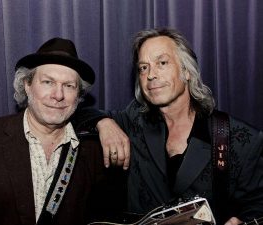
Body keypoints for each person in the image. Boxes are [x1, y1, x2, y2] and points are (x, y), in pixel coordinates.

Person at [93, 28, 263, 225]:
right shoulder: (134, 120)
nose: (151, 75)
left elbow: (257, 205)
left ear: (187, 71)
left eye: (162, 63)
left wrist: (240, 219)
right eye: (143, 68)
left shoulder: (238, 138)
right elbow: (76, 111)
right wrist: (103, 123)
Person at [0, 38, 125, 225]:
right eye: (48, 82)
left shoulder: (95, 152)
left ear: (79, 96)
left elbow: (104, 219)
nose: (58, 95)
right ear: (27, 85)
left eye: (69, 86)